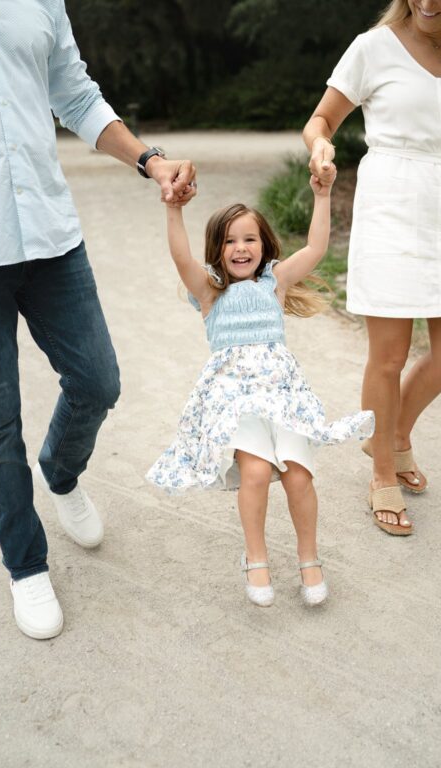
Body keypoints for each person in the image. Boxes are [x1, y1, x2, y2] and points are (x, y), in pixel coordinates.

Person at [0, 0, 197, 639]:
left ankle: (61, 473)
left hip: (47, 230)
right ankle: (26, 564)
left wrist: (152, 161)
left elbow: (74, 94)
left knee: (98, 380)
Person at [146, 169, 374, 606]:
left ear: (263, 245)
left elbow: (316, 248)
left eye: (249, 239)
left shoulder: (275, 282)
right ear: (217, 251)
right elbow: (180, 259)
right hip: (237, 402)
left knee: (298, 476)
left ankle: (309, 559)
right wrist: (174, 209)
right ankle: (256, 558)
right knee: (253, 473)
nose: (240, 248)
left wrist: (321, 195)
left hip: (283, 396)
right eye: (230, 241)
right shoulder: (210, 293)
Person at [304, 0, 441, 535]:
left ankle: (392, 432)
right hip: (391, 210)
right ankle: (383, 469)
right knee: (389, 355)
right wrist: (321, 149)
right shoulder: (372, 47)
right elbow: (321, 120)